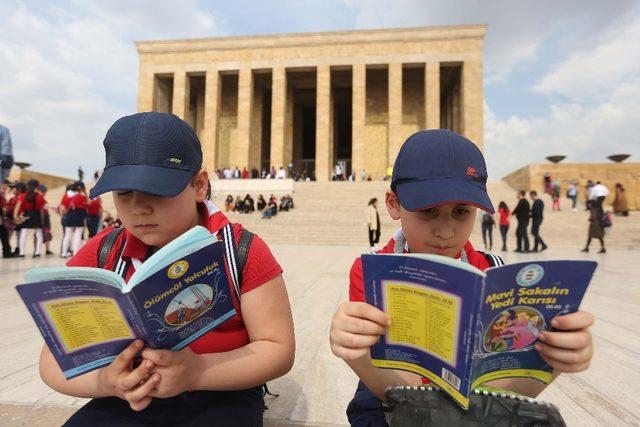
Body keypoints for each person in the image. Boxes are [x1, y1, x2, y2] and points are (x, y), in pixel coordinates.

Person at [39, 112, 294, 426]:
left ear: (199, 185)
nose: (138, 208)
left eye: (156, 191)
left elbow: (277, 347)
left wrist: (197, 371)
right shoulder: (104, 253)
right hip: (128, 395)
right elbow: (52, 360)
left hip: (221, 389)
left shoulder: (240, 251)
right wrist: (108, 382)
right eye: (123, 193)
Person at [329, 130, 594, 426]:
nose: (446, 231)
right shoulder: (371, 270)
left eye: (461, 212)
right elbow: (390, 391)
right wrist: (355, 354)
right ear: (393, 204)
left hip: (472, 401)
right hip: (388, 397)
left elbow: (500, 396)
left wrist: (554, 359)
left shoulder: (491, 271)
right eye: (428, 211)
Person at [14, 178, 45, 258]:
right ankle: (37, 253)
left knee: (24, 233)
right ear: (37, 186)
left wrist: (15, 216)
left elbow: (18, 206)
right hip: (36, 215)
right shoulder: (40, 196)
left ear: (28, 186)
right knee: (39, 234)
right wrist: (42, 220)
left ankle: (21, 253)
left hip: (26, 214)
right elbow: (41, 210)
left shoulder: (23, 195)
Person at [60, 181, 87, 257]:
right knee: (78, 235)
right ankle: (75, 254)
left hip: (70, 215)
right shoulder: (82, 195)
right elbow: (88, 203)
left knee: (67, 234)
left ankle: (64, 253)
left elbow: (62, 207)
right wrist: (85, 193)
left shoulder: (67, 195)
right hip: (79, 215)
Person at [37, 184, 54, 255]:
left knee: (40, 234)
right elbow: (44, 207)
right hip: (44, 218)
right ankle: (45, 250)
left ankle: (38, 250)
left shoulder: (38, 197)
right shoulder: (40, 198)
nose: (44, 193)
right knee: (46, 233)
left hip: (41, 217)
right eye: (44, 191)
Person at [0, 179, 13, 257]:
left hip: (2, 215)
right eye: (7, 185)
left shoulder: (3, 193)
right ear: (3, 184)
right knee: (4, 235)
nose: (8, 187)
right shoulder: (0, 193)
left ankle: (7, 252)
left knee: (4, 235)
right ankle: (6, 253)